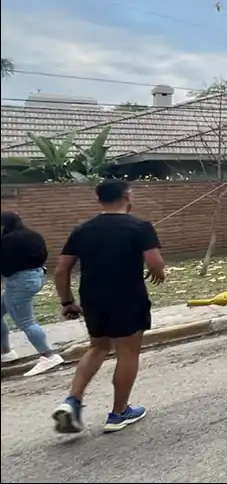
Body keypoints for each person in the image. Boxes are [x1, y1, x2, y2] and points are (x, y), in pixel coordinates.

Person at [51, 180, 166, 433]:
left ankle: (73, 401)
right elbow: (154, 262)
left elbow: (61, 270)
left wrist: (67, 302)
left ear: (98, 200)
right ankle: (119, 413)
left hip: (93, 298)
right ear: (128, 196)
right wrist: (158, 273)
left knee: (97, 347)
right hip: (128, 297)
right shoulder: (140, 226)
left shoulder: (81, 229)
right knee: (127, 352)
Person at [1, 212, 64, 376]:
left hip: (19, 281)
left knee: (26, 322)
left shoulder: (8, 241)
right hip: (36, 275)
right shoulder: (33, 235)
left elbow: (4, 263)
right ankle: (5, 352)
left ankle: (48, 355)